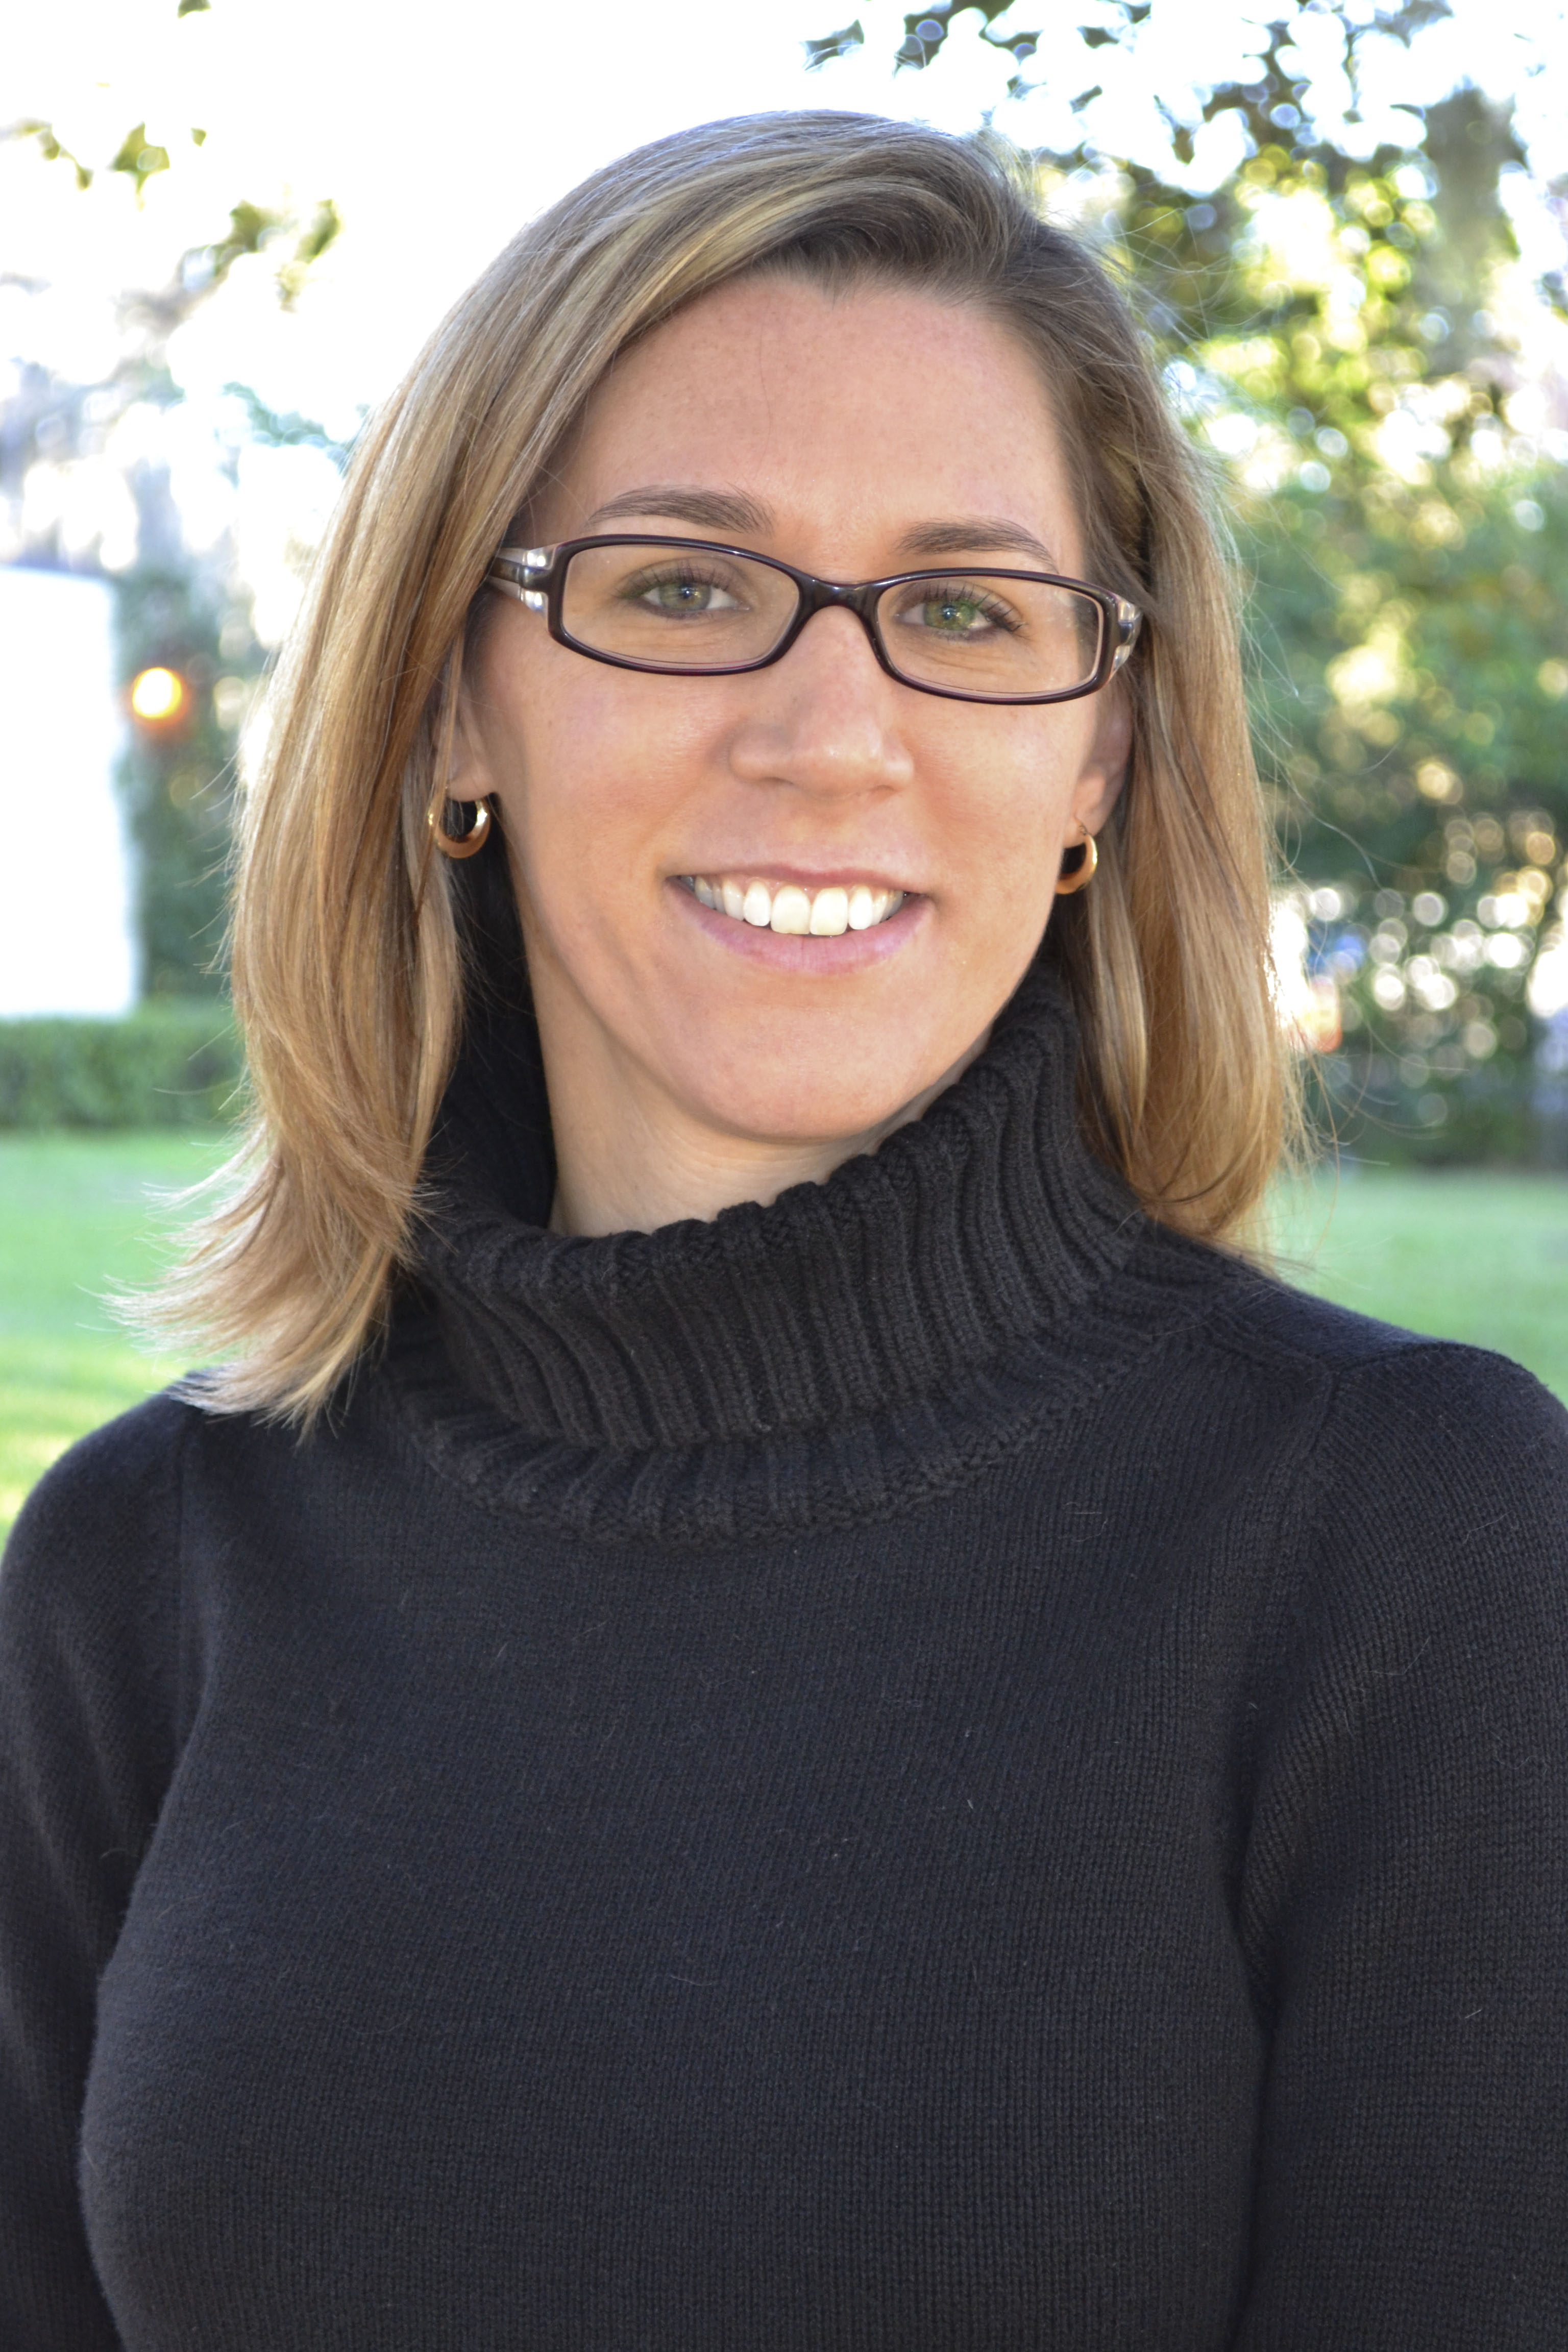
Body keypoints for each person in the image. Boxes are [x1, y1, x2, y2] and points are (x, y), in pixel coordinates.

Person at [2, 110, 1564, 2352]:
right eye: (683, 588)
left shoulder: (1408, 1553)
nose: (834, 733)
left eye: (965, 609)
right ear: (456, 692)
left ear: (1103, 763)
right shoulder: (141, 1575)